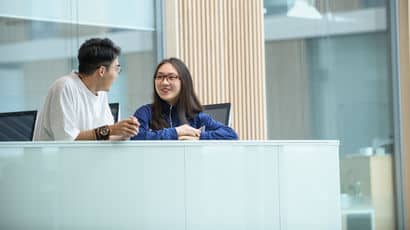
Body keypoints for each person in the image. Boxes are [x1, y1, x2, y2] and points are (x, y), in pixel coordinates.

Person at [33, 38, 139, 141]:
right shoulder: (64, 87)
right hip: (56, 158)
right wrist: (111, 130)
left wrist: (124, 134)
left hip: (87, 158)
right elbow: (67, 140)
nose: (117, 75)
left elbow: (104, 136)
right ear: (102, 71)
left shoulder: (100, 92)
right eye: (116, 69)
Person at [131, 57, 238, 140]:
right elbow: (135, 137)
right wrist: (177, 132)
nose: (164, 82)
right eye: (159, 77)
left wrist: (198, 137)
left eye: (171, 77)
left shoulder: (196, 116)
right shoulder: (145, 113)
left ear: (184, 81)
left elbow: (231, 135)